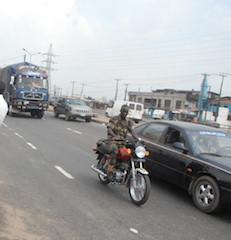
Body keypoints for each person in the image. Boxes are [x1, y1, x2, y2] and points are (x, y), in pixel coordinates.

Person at [106, 104, 140, 181]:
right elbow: (109, 129)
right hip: (112, 141)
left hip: (122, 143)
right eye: (123, 111)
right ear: (120, 111)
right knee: (115, 150)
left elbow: (133, 132)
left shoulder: (129, 122)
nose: (125, 113)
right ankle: (110, 171)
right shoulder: (114, 119)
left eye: (126, 112)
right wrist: (114, 136)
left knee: (129, 153)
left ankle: (124, 169)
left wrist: (138, 139)